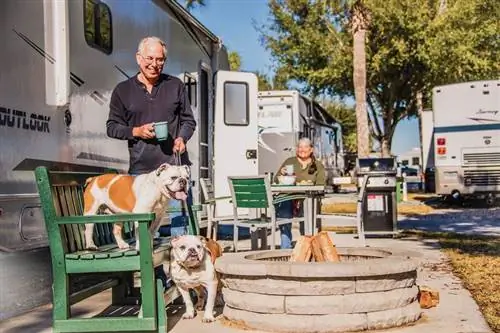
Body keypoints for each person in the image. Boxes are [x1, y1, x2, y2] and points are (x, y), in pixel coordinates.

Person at [106, 36, 196, 287]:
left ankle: (183, 282)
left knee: (179, 227)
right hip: (141, 172)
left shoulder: (175, 86)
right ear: (138, 58)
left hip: (174, 168)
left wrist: (182, 137)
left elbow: (189, 120)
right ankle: (156, 282)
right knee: (144, 230)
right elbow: (112, 127)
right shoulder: (123, 91)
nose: (154, 64)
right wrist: (136, 131)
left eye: (160, 60)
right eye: (149, 59)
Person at [273, 137, 325, 249]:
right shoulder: (290, 162)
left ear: (311, 149)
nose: (302, 149)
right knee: (284, 213)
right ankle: (285, 247)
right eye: (300, 147)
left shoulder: (317, 165)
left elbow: (321, 185)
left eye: (305, 147)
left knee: (306, 210)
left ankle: (305, 246)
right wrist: (281, 174)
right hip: (288, 196)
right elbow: (276, 180)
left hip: (307, 197)